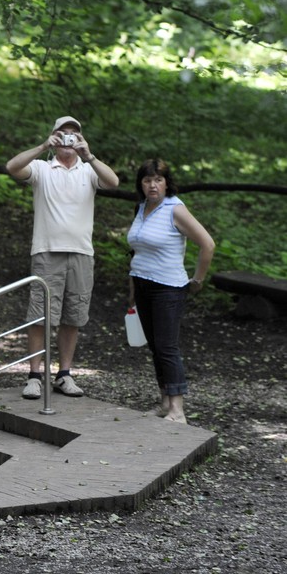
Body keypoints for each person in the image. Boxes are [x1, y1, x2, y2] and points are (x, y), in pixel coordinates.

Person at [6, 116, 120, 399]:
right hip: (47, 252)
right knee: (40, 316)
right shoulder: (42, 168)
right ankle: (34, 375)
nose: (68, 139)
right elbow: (12, 167)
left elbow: (113, 182)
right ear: (54, 138)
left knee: (73, 316)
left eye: (74, 134)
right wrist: (43, 145)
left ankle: (64, 374)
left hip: (81, 253)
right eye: (62, 134)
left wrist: (89, 155)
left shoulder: (89, 170)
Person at [127, 159, 214, 424]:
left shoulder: (174, 209)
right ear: (141, 184)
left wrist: (197, 280)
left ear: (167, 183)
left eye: (158, 180)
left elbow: (207, 244)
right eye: (147, 180)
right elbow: (136, 251)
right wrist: (131, 293)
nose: (152, 185)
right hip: (142, 284)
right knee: (155, 346)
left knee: (167, 347)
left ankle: (178, 410)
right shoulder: (141, 208)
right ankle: (164, 402)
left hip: (168, 288)